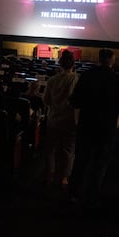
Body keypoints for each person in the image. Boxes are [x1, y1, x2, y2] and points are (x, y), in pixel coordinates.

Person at [68, 48, 119, 212]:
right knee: (99, 165)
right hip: (106, 130)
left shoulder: (86, 76)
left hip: (86, 127)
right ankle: (91, 199)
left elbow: (74, 101)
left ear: (99, 59)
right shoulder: (117, 80)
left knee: (80, 161)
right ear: (112, 60)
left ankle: (72, 194)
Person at [42, 49, 79, 188]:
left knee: (50, 150)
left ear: (60, 64)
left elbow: (45, 101)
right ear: (73, 64)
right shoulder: (77, 81)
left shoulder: (52, 80)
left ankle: (49, 176)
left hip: (53, 120)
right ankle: (64, 178)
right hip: (70, 122)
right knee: (68, 151)